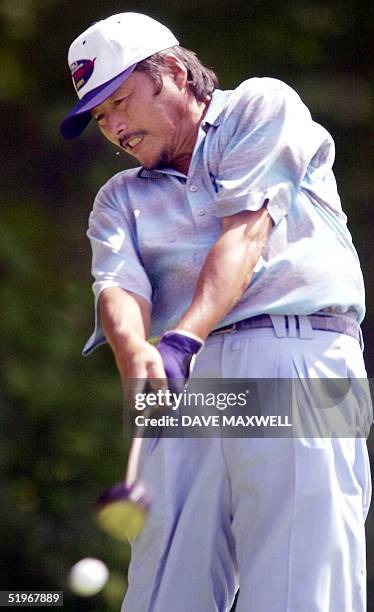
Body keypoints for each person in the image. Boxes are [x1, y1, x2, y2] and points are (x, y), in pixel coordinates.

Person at [61, 12, 372, 612]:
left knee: (298, 587)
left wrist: (179, 339)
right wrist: (136, 354)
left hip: (298, 357)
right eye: (101, 117)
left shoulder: (259, 106)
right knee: (162, 588)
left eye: (121, 100)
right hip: (188, 382)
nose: (115, 126)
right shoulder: (119, 198)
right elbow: (119, 290)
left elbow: (246, 237)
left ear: (174, 72)